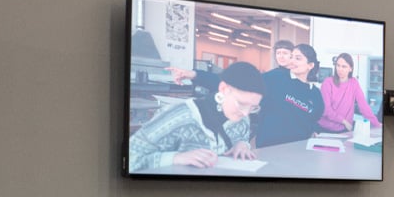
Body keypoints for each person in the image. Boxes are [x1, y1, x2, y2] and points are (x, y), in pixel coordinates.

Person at [126, 61, 264, 171]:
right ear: (223, 89)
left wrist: (243, 144)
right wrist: (176, 158)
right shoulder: (181, 116)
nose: (246, 113)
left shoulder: (242, 118)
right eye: (241, 104)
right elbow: (130, 156)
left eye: (253, 107)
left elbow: (242, 137)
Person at [253, 41, 322, 146]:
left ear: (310, 65)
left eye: (297, 58)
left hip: (298, 146)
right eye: (292, 57)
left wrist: (315, 130)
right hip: (269, 144)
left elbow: (314, 118)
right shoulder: (272, 78)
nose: (292, 61)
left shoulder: (315, 92)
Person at [316, 52, 381, 133]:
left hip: (344, 130)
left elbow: (363, 106)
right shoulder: (327, 83)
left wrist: (377, 124)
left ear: (350, 69)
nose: (340, 69)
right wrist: (344, 121)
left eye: (344, 66)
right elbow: (326, 110)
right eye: (338, 65)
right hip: (326, 129)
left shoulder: (354, 83)